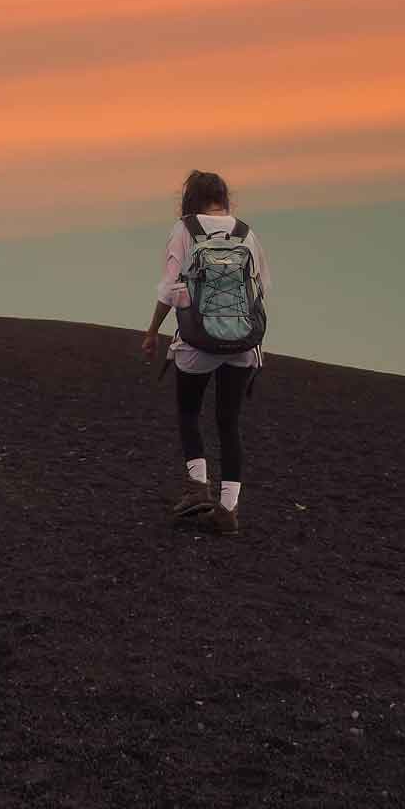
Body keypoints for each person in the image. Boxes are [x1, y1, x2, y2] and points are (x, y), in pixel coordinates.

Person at [141, 170, 268, 536]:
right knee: (229, 423)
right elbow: (261, 289)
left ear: (189, 198)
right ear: (224, 197)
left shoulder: (185, 230)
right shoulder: (246, 233)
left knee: (188, 412)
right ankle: (228, 510)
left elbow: (169, 289)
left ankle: (198, 486)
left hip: (197, 342)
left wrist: (152, 332)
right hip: (243, 344)